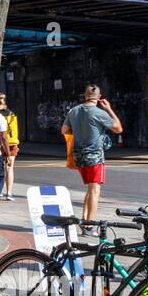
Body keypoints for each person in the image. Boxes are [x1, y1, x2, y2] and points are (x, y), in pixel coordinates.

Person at [61, 84, 123, 230]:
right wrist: (108, 109)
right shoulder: (99, 112)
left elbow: (64, 130)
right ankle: (89, 225)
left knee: (90, 188)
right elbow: (118, 128)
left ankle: (84, 220)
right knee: (95, 191)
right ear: (99, 98)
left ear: (85, 96)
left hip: (79, 156)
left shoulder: (73, 111)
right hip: (94, 156)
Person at [0, 93, 20, 200]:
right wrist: (16, 143)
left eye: (0, 99)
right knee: (9, 168)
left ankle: (0, 191)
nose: (0, 101)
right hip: (10, 143)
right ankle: (9, 193)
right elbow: (14, 130)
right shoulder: (11, 114)